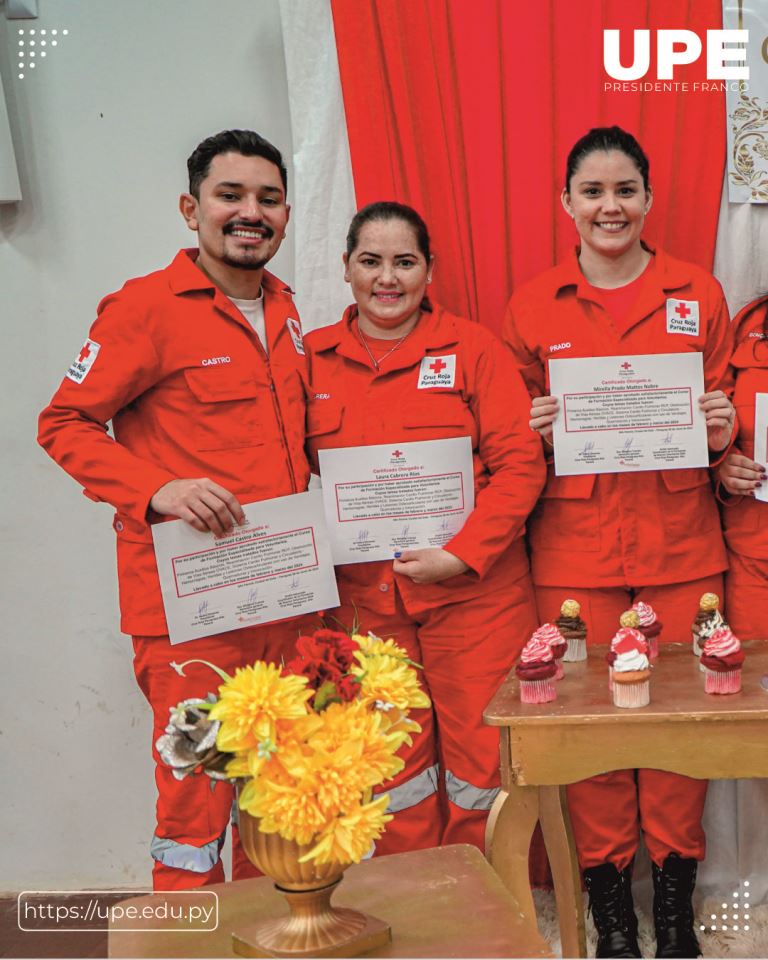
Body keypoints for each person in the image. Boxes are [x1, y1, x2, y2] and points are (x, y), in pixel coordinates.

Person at [38, 130, 310, 890]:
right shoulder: (144, 310)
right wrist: (155, 490)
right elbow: (60, 423)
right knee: (195, 818)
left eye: (267, 198)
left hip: (282, 606)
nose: (250, 213)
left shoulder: (285, 310)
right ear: (192, 209)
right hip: (189, 621)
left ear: (286, 213)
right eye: (231, 196)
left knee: (279, 806)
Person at [503, 127, 735, 958]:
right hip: (574, 554)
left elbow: (725, 421)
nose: (611, 206)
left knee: (681, 727)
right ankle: (610, 917)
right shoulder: (531, 306)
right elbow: (506, 445)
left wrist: (723, 425)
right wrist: (531, 428)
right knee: (591, 730)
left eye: (626, 190)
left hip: (681, 547)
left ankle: (672, 912)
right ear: (566, 203)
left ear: (646, 199)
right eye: (593, 191)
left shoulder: (696, 293)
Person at [304, 201, 545, 854]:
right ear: (347, 268)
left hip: (477, 600)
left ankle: (491, 922)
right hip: (365, 605)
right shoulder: (309, 361)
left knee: (483, 769)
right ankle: (415, 917)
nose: (389, 278)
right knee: (390, 770)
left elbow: (521, 466)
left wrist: (461, 555)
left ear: (429, 270)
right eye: (371, 261)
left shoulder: (475, 350)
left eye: (404, 262)